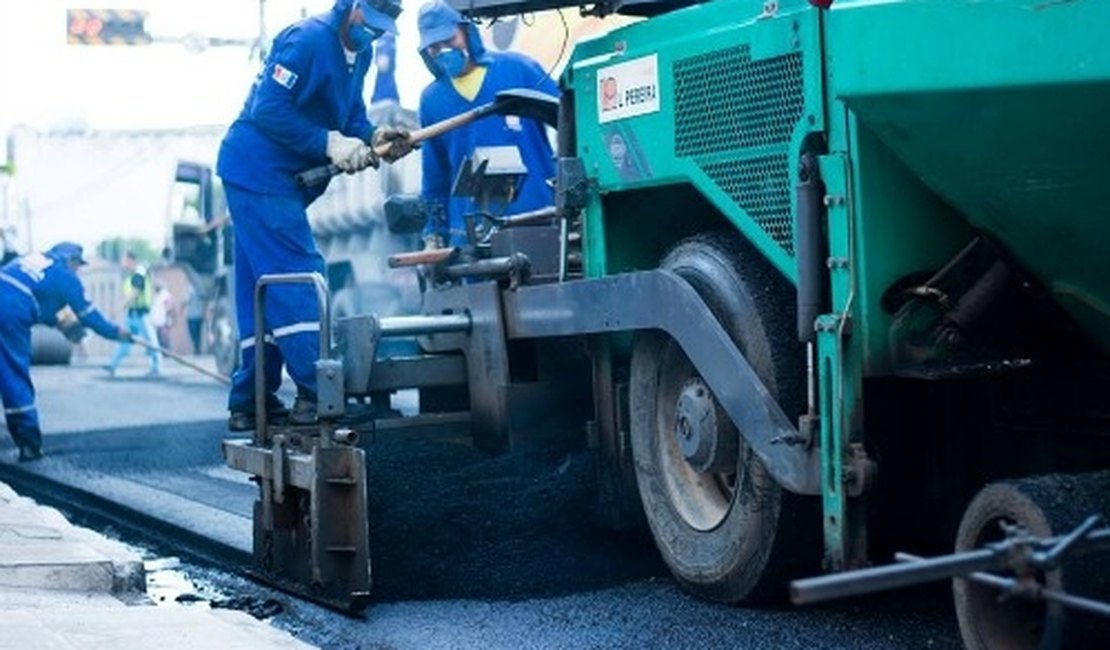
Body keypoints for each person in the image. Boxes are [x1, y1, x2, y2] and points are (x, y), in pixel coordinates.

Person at [215, 0, 416, 432]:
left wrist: (372, 135)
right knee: (300, 274)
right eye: (371, 22)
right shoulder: (305, 40)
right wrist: (329, 143)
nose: (374, 33)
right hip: (258, 172)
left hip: (279, 181)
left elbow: (351, 114)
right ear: (350, 6)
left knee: (263, 291)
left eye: (384, 27)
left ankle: (249, 402)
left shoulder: (359, 55)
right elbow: (267, 109)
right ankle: (317, 393)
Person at [416, 0, 558, 248]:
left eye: (449, 41)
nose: (443, 52)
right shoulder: (432, 101)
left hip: (539, 218)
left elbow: (571, 121)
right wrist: (434, 234)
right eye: (434, 47)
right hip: (472, 237)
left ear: (466, 31)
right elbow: (434, 179)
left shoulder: (520, 70)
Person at [0, 243, 130, 461]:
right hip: (9, 312)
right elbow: (90, 316)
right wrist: (116, 332)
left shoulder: (34, 258)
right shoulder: (65, 276)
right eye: (78, 265)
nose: (78, 270)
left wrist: (60, 323)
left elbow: (38, 300)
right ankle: (29, 443)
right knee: (14, 375)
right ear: (71, 260)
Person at [104, 250, 161, 377]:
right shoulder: (130, 276)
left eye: (123, 260)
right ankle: (112, 365)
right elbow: (127, 294)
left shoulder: (139, 273)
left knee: (151, 342)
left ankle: (156, 367)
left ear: (130, 260)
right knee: (124, 339)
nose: (122, 263)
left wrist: (118, 308)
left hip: (141, 314)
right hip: (132, 314)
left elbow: (134, 293)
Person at [150, 282, 175, 349]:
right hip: (158, 320)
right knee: (159, 337)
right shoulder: (156, 296)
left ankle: (166, 351)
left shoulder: (165, 295)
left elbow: (169, 308)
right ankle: (162, 351)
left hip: (164, 320)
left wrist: (167, 320)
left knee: (164, 337)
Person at [184, 283, 205, 355]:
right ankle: (197, 348)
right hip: (198, 315)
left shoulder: (190, 289)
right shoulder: (201, 288)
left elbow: (185, 301)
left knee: (193, 334)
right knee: (197, 334)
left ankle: (197, 349)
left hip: (192, 316)